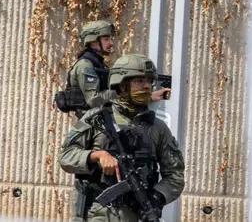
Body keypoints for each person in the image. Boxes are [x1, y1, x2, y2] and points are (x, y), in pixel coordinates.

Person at [59, 54, 185, 221]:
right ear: (122, 84)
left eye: (149, 81)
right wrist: (97, 155)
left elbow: (175, 175)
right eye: (139, 81)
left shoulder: (158, 128)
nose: (146, 86)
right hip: (97, 215)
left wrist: (157, 197)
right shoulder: (96, 118)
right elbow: (66, 156)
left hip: (137, 215)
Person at [55, 20, 170, 118]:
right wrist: (121, 91)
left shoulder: (99, 64)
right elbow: (94, 100)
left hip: (104, 119)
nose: (111, 43)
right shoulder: (86, 65)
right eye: (106, 39)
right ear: (93, 41)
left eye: (111, 39)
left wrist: (151, 96)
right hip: (91, 124)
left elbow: (116, 99)